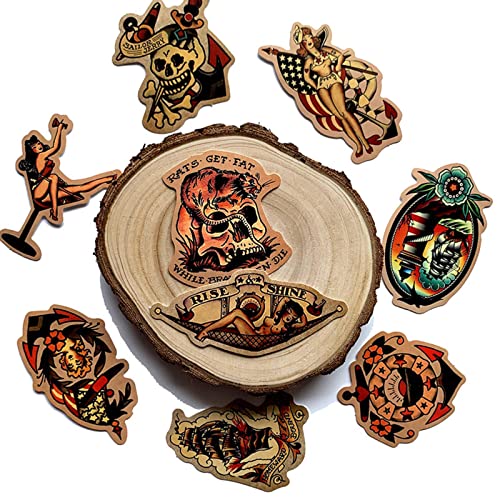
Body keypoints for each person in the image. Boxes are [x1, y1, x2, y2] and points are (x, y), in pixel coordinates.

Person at [18, 119, 118, 222]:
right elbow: (55, 147)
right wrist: (59, 128)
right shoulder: (41, 156)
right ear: (32, 151)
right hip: (39, 192)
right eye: (34, 147)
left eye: (38, 143)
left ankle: (107, 179)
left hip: (47, 196)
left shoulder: (43, 156)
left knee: (80, 188)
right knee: (53, 177)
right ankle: (55, 210)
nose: (38, 146)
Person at [296, 26, 372, 158]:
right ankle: (357, 145)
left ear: (313, 39)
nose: (308, 41)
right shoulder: (308, 61)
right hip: (322, 86)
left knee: (344, 112)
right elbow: (306, 77)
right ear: (303, 46)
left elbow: (339, 55)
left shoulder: (325, 50)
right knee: (339, 116)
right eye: (305, 41)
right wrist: (316, 86)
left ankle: (365, 142)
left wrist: (337, 65)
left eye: (309, 38)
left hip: (333, 80)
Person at [196, 297, 307, 340]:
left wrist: (300, 313)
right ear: (285, 310)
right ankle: (202, 327)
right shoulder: (275, 317)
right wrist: (293, 305)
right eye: (289, 313)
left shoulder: (286, 328)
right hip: (254, 332)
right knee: (237, 312)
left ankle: (205, 330)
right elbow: (285, 299)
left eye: (294, 317)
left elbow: (303, 323)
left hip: (256, 341)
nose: (290, 317)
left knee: (235, 319)